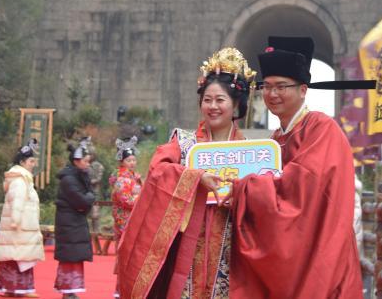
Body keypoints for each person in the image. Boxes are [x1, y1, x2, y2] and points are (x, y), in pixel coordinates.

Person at [226, 36, 363, 298]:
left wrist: (244, 188)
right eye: (267, 86)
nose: (272, 94)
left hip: (322, 252)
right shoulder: (275, 139)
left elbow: (301, 189)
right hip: (293, 256)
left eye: (281, 86)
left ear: (303, 90)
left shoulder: (322, 129)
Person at [117, 47, 256, 298]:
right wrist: (193, 178)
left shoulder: (250, 152)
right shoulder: (183, 142)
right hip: (186, 248)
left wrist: (243, 195)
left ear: (236, 104)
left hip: (231, 247)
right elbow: (158, 171)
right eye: (207, 100)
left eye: (220, 100)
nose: (212, 106)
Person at [0, 139, 44, 298]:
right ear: (22, 162)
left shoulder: (22, 178)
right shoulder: (20, 180)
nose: (33, 164)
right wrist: (15, 220)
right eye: (31, 161)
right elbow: (17, 202)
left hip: (21, 224)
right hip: (19, 225)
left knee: (18, 257)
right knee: (20, 257)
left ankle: (14, 288)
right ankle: (18, 288)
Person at [54, 141, 95, 299]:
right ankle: (67, 290)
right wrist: (89, 199)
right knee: (70, 257)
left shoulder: (79, 176)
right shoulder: (69, 179)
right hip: (69, 222)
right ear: (76, 161)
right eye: (85, 161)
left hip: (74, 220)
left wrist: (88, 200)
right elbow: (83, 200)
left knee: (74, 257)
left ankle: (71, 290)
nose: (88, 164)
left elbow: (88, 198)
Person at [109, 137, 142, 242]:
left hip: (132, 215)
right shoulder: (121, 179)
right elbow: (126, 200)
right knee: (125, 244)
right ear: (122, 162)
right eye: (128, 160)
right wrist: (140, 198)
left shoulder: (134, 177)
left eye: (134, 160)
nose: (132, 163)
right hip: (124, 217)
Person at [86, 140, 104, 233]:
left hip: (95, 193)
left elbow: (98, 178)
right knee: (85, 214)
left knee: (95, 215)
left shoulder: (98, 166)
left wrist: (90, 181)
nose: (90, 156)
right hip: (85, 192)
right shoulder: (84, 165)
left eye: (91, 154)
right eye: (88, 154)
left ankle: (96, 232)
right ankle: (87, 232)